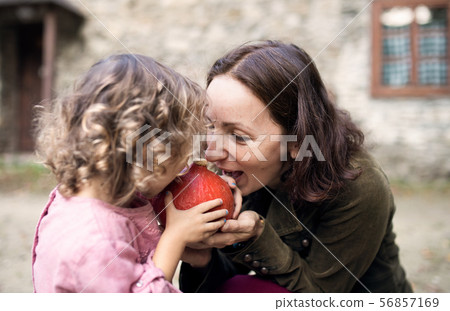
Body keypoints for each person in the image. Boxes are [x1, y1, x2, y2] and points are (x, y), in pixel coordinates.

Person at [179, 40, 413, 293]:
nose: (211, 152)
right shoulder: (246, 171)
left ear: (297, 139)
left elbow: (319, 296)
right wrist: (202, 260)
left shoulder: (359, 186)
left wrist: (258, 237)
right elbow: (222, 281)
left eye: (238, 136)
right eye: (211, 126)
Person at [32, 54, 229, 292]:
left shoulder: (98, 193)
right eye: (182, 153)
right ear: (149, 151)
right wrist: (175, 237)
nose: (184, 166)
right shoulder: (95, 240)